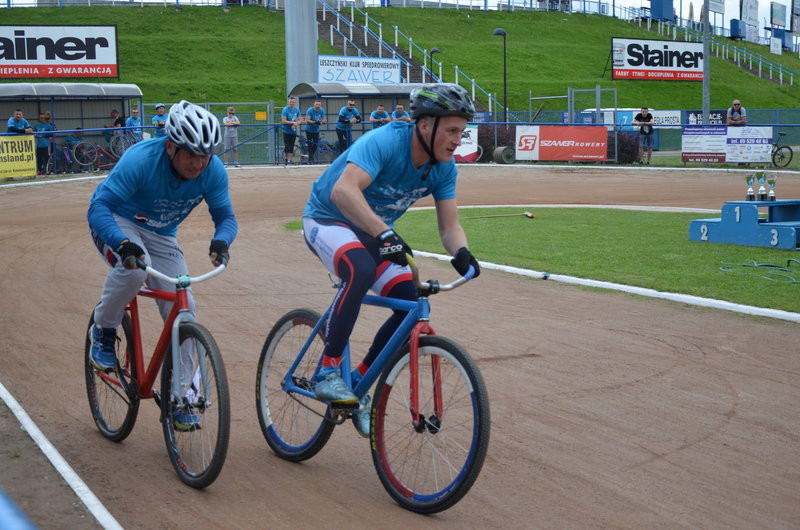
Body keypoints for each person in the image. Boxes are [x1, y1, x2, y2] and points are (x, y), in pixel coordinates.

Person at [302, 83, 481, 438]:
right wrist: (383, 232)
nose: (458, 140)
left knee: (409, 300)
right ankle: (328, 370)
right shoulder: (386, 141)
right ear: (426, 125)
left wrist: (462, 253)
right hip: (328, 219)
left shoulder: (444, 168)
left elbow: (450, 226)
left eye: (462, 132)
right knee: (360, 268)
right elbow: (343, 190)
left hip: (373, 232)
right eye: (452, 131)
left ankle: (357, 383)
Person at [87, 100, 237, 431]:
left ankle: (178, 397)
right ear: (171, 147)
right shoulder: (141, 160)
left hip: (162, 234)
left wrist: (221, 242)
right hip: (117, 220)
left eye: (205, 155)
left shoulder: (212, 171)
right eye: (191, 154)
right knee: (137, 267)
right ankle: (105, 328)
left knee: (185, 308)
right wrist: (122, 243)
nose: (199, 163)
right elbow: (99, 207)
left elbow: (225, 217)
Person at [281, 97, 303, 165]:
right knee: (287, 145)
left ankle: (289, 160)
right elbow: (283, 121)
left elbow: (300, 120)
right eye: (290, 102)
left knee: (291, 145)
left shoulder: (297, 110)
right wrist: (293, 123)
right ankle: (286, 159)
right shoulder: (285, 109)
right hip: (286, 130)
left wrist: (297, 123)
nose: (292, 103)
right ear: (289, 102)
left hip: (293, 131)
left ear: (295, 103)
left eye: (293, 102)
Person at [304, 99, 327, 164]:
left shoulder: (321, 110)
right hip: (309, 130)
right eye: (317, 104)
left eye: (319, 104)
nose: (318, 106)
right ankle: (311, 159)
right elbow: (307, 120)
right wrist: (315, 122)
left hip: (316, 130)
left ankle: (310, 158)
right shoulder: (310, 110)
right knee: (310, 144)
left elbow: (324, 118)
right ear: (314, 104)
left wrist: (322, 122)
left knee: (315, 144)